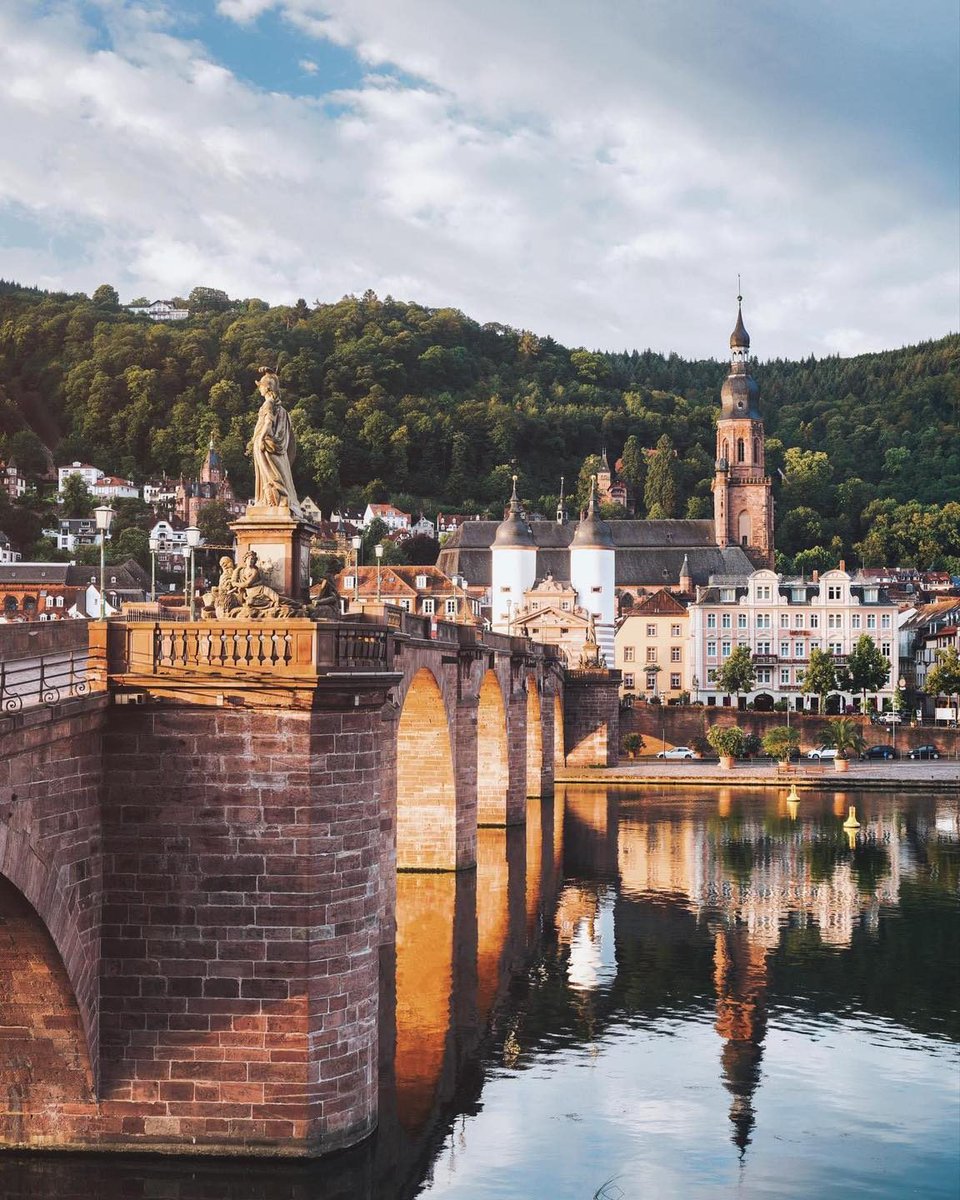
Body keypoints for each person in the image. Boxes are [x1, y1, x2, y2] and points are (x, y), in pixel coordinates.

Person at [248, 369, 301, 515]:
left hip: (265, 445)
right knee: (280, 475)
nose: (259, 389)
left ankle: (268, 501)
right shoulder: (282, 409)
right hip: (277, 449)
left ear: (267, 387)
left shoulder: (268, 404)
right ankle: (280, 500)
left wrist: (261, 438)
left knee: (269, 476)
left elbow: (268, 422)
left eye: (261, 386)